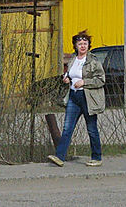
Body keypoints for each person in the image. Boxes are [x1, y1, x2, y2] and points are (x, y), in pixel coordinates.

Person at [47, 30, 105, 167]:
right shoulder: (73, 59)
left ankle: (96, 157)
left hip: (88, 98)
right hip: (74, 97)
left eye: (85, 43)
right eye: (80, 44)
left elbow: (101, 80)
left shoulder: (93, 61)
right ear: (76, 45)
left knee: (91, 129)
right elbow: (69, 74)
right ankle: (59, 157)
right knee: (67, 128)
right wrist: (66, 78)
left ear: (88, 45)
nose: (83, 46)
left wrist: (84, 82)